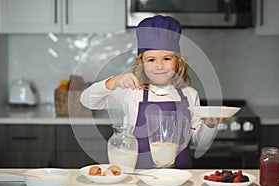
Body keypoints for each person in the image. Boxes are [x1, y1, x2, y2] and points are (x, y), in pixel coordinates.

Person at [80, 15, 222, 169]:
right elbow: (86, 101)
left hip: (179, 178)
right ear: (142, 63)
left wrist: (209, 125)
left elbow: (198, 142)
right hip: (138, 177)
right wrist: (113, 82)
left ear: (178, 61)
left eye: (167, 59)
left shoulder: (189, 94)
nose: (159, 66)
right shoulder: (132, 92)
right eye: (151, 60)